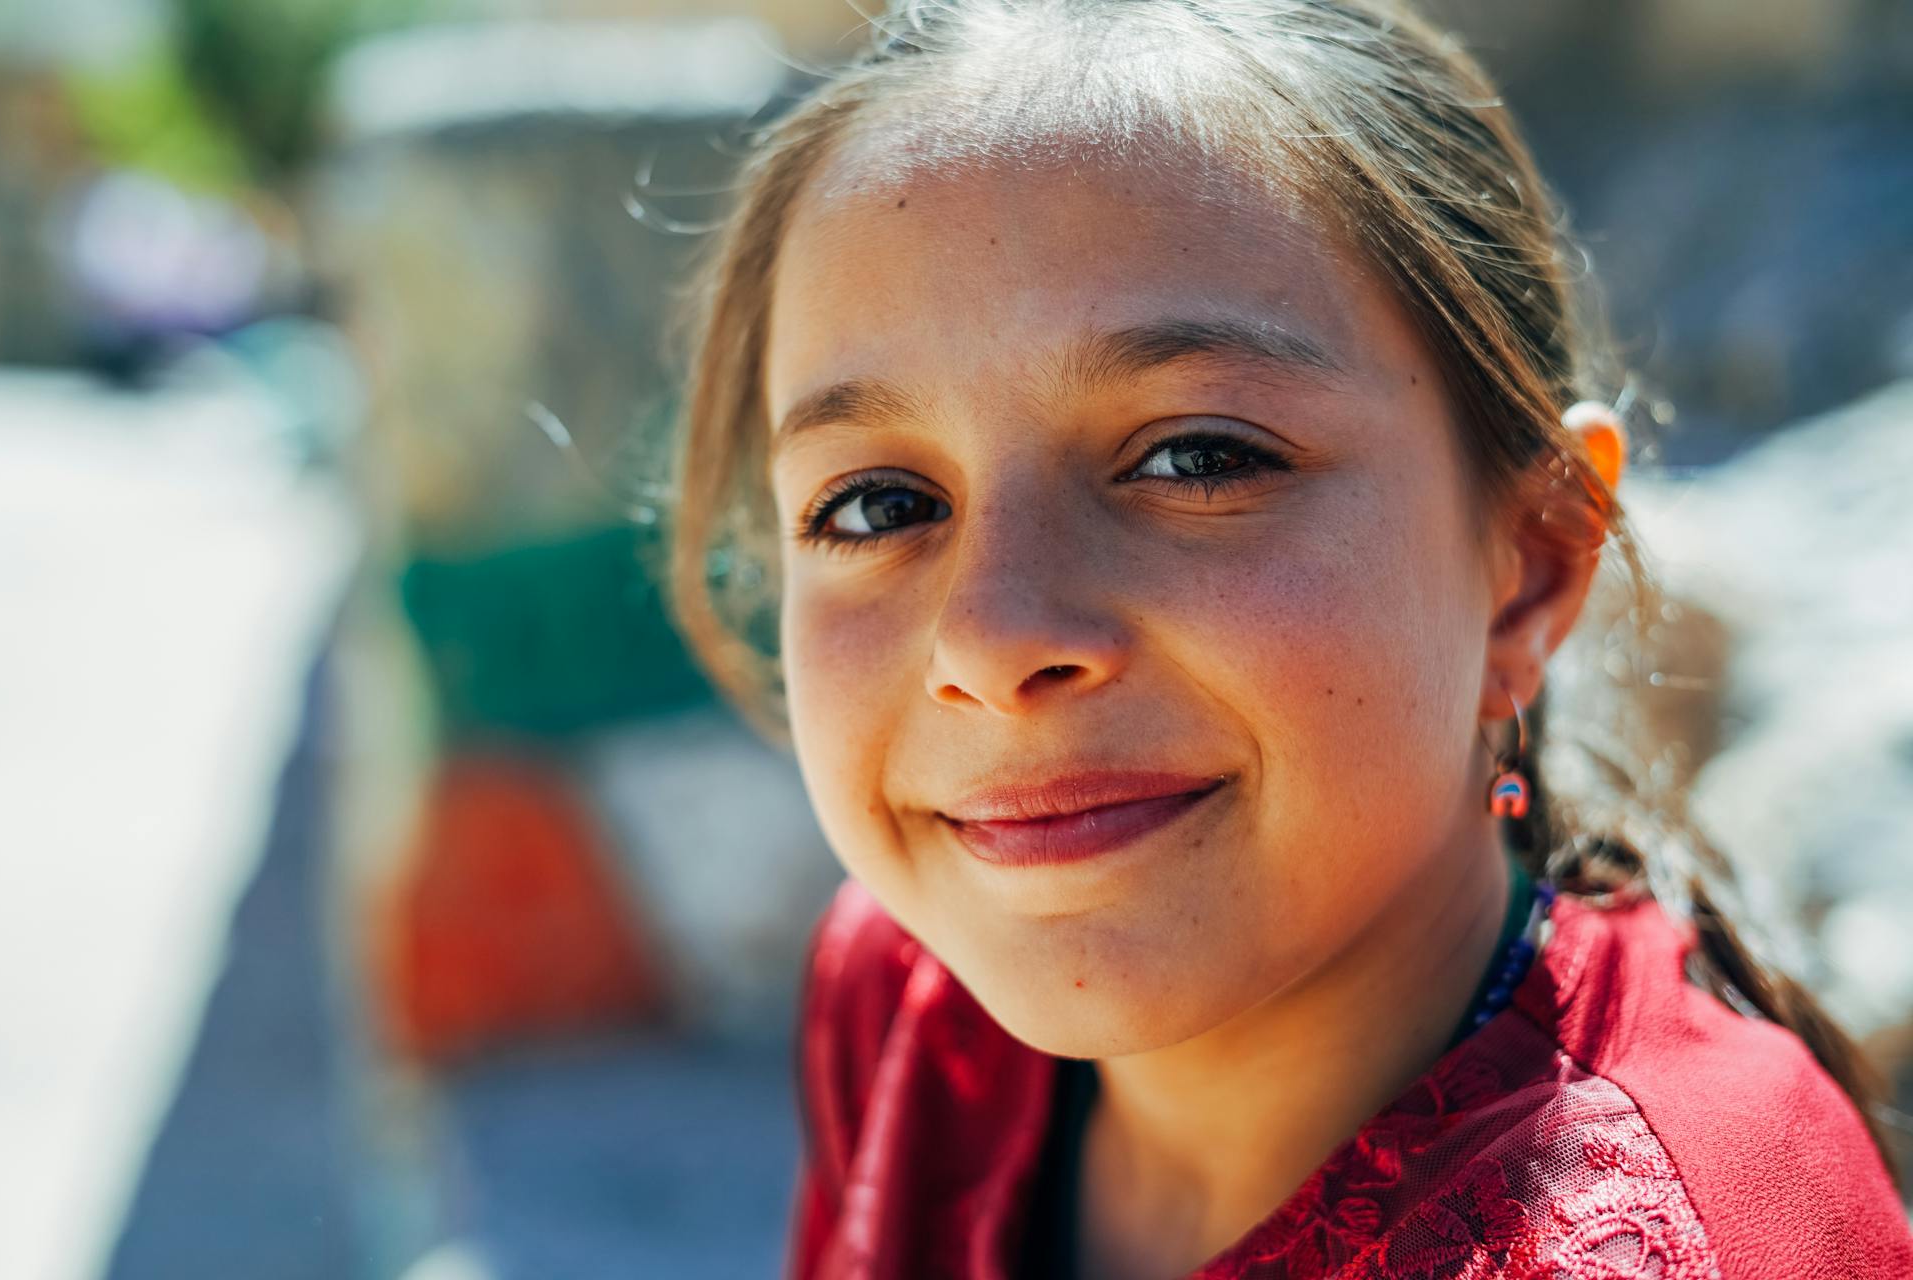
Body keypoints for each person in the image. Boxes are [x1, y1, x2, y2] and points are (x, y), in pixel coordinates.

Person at [660, 1, 1913, 1275]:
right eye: (879, 504)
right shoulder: (918, 1007)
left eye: (1195, 457)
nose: (992, 636)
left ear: (1529, 565)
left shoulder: (1645, 1244)